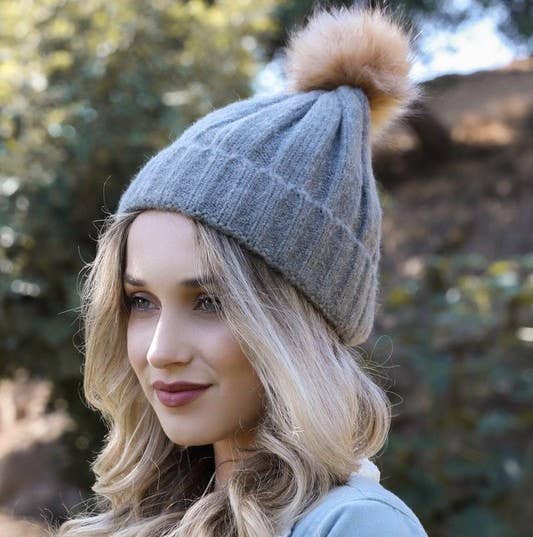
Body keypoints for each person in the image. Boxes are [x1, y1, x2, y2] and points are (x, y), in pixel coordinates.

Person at [54, 3, 429, 536]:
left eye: (209, 302)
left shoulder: (354, 523)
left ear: (301, 323)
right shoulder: (150, 519)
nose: (160, 351)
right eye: (141, 302)